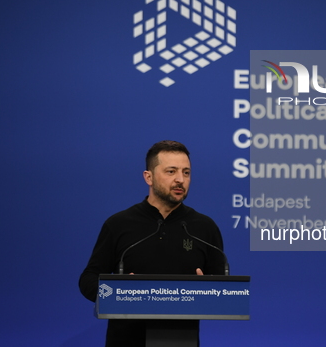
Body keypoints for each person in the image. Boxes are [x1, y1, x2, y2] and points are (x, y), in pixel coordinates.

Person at [79, 140, 225, 346]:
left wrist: (206, 289)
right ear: (148, 177)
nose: (180, 180)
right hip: (125, 339)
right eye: (171, 171)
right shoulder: (119, 224)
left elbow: (224, 288)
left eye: (186, 172)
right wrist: (118, 292)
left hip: (182, 339)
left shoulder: (204, 227)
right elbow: (89, 278)